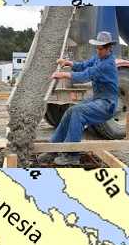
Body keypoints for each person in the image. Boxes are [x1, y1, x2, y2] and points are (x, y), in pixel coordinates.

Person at [38, 31, 119, 165]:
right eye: (97, 48)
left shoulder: (107, 64)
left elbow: (86, 75)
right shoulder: (98, 58)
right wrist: (68, 63)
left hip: (107, 104)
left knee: (78, 112)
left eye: (101, 48)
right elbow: (83, 65)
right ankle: (53, 148)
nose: (98, 51)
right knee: (71, 110)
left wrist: (63, 75)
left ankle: (72, 155)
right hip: (98, 99)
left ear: (109, 48)